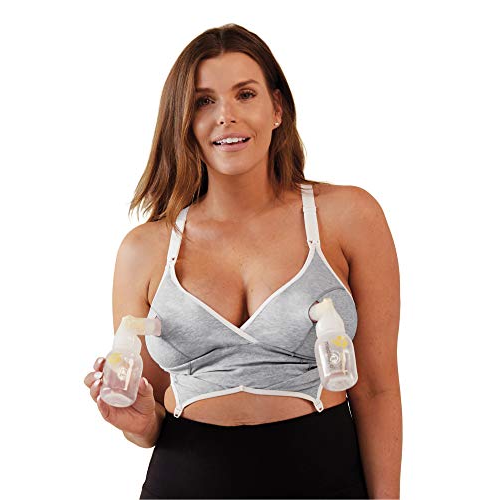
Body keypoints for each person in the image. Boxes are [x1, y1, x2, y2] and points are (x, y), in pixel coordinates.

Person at [83, 23, 402, 499]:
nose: (225, 116)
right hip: (184, 484)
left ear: (277, 108)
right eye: (204, 101)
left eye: (245, 94)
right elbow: (149, 420)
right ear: (184, 120)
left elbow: (376, 389)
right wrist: (138, 421)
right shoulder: (144, 249)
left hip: (322, 479)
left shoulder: (347, 217)